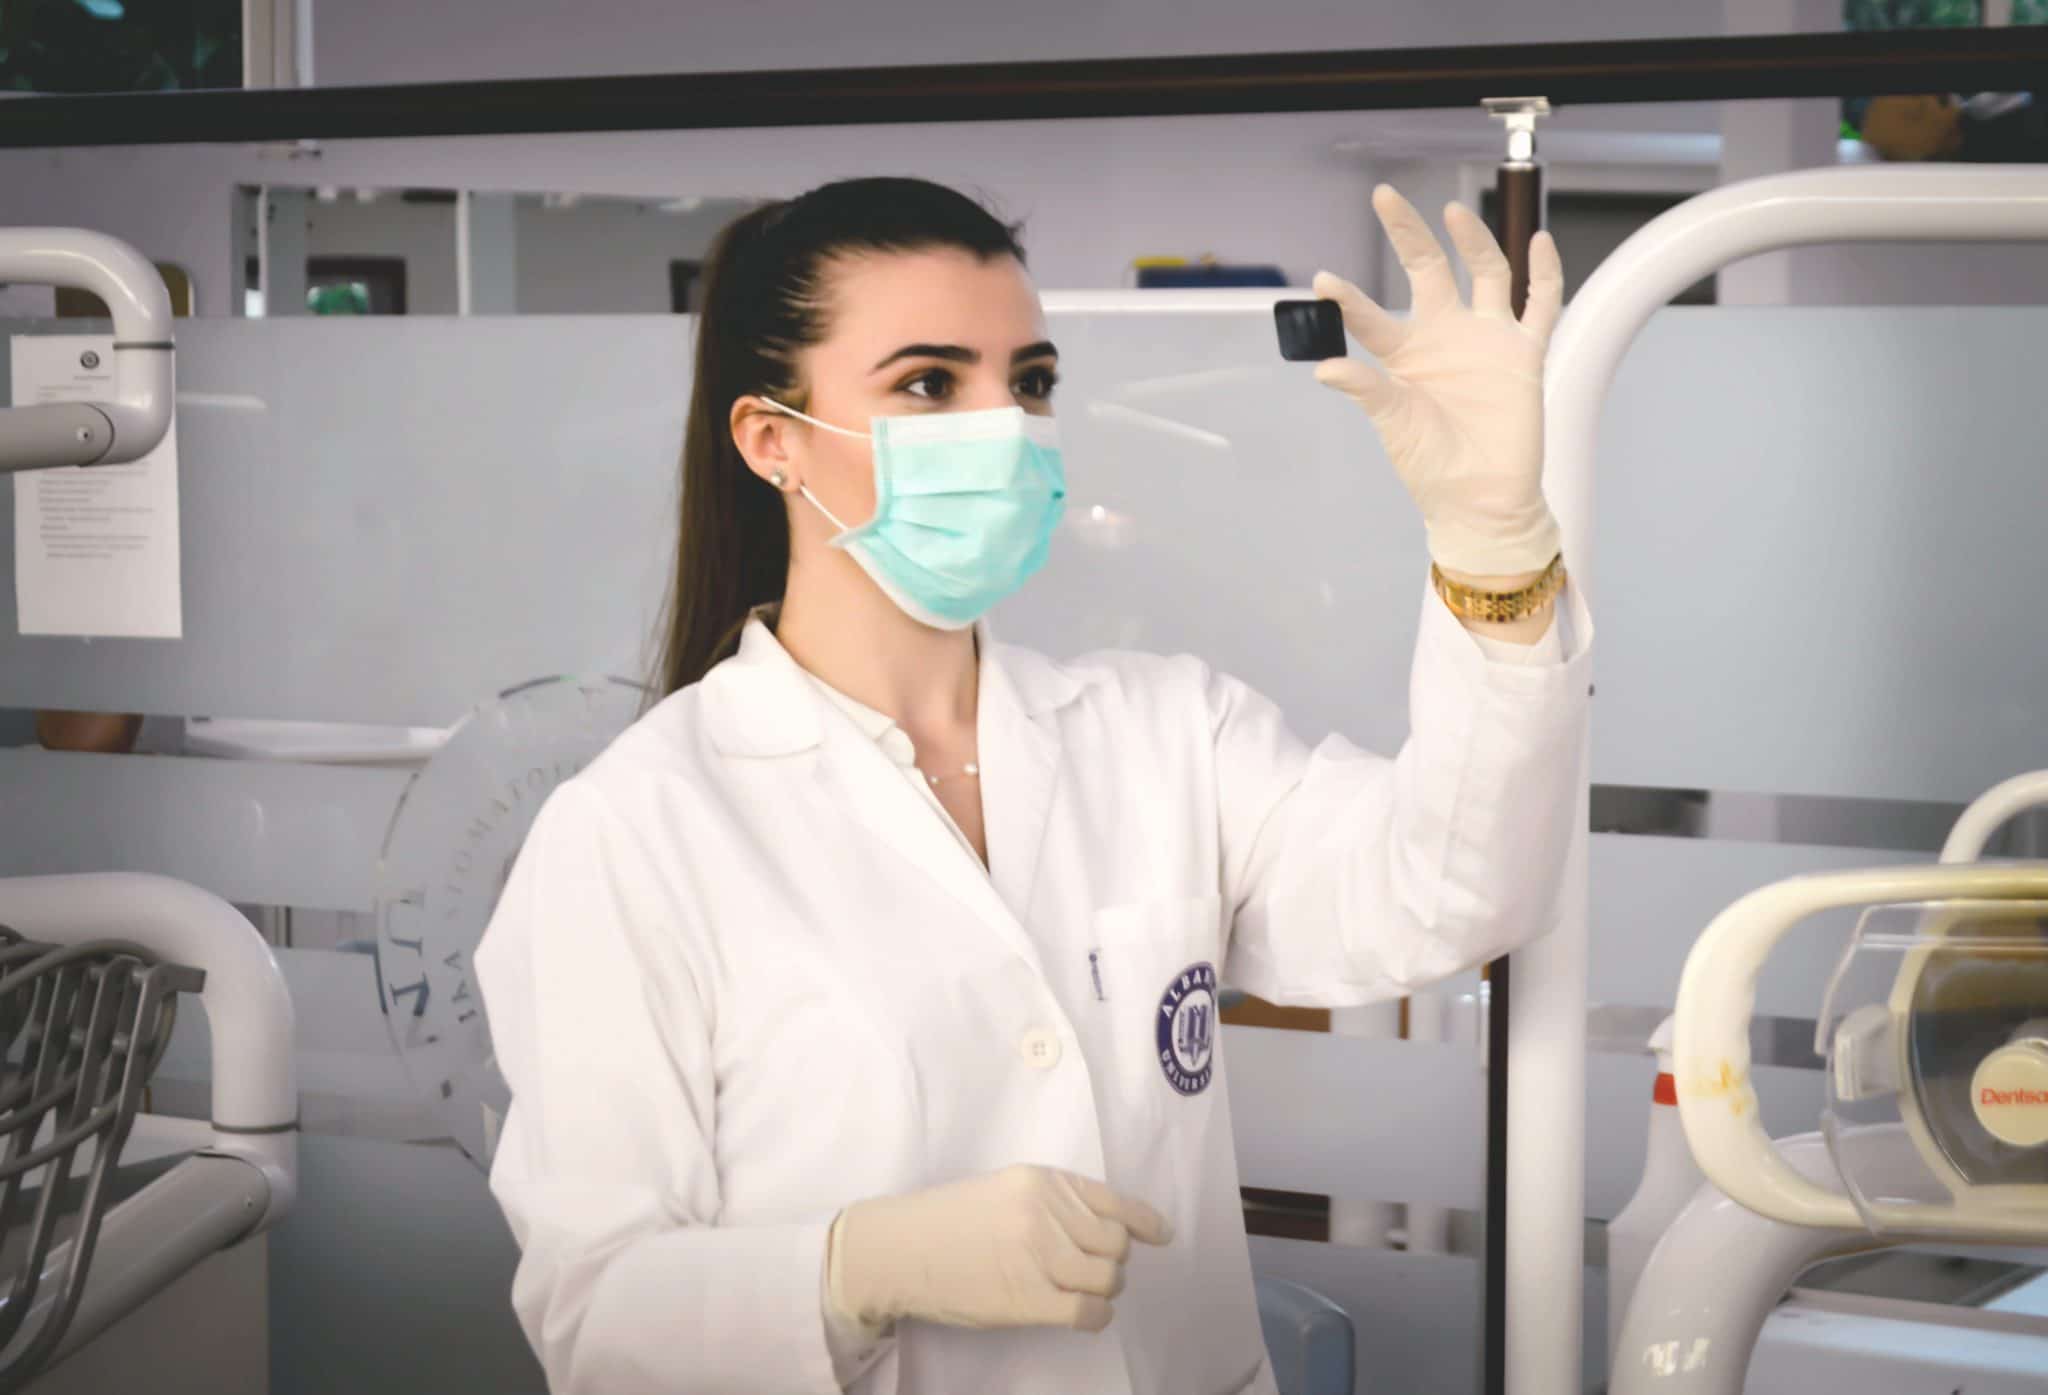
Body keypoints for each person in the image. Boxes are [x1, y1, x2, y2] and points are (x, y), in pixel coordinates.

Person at [473, 175, 1593, 1395]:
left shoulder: (1163, 731)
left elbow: (1451, 892)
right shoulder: (636, 832)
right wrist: (853, 1270)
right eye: (926, 383)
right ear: (770, 440)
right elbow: (597, 1322)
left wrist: (1493, 543)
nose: (1001, 424)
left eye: (1032, 380)